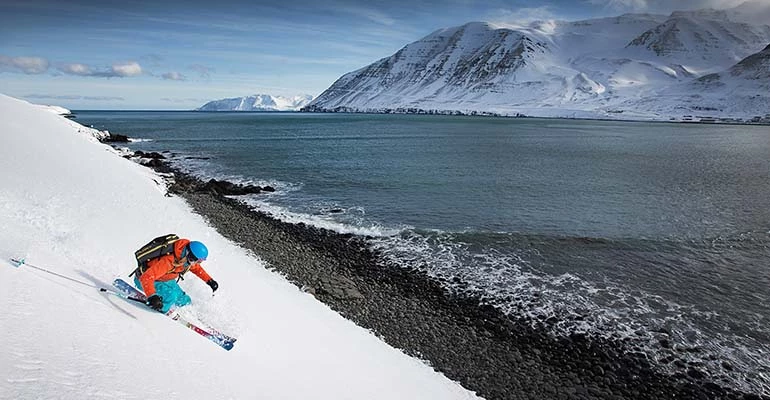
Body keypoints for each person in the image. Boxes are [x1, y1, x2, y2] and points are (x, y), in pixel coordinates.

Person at [134, 239, 218, 313]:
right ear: (189, 256)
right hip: (145, 280)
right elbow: (147, 277)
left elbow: (197, 269)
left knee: (185, 300)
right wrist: (152, 296)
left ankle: (185, 312)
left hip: (165, 279)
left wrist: (209, 280)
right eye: (196, 261)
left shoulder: (186, 259)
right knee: (171, 296)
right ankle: (161, 309)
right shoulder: (168, 261)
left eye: (199, 261)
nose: (196, 263)